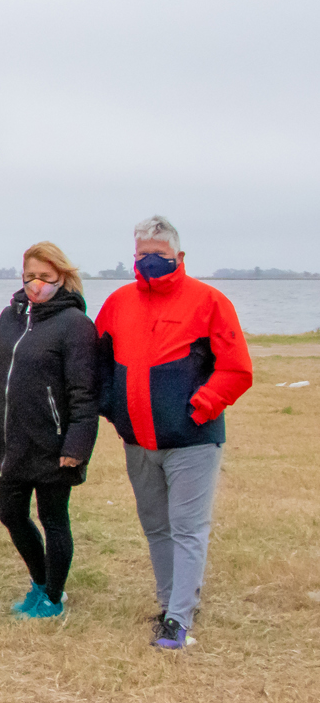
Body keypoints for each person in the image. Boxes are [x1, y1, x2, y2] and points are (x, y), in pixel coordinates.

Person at [97, 215, 252, 650]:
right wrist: (113, 409)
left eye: (160, 256)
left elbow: (237, 369)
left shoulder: (209, 302)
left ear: (179, 256)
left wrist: (199, 408)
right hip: (138, 441)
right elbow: (100, 365)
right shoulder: (118, 303)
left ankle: (180, 619)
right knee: (155, 527)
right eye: (142, 255)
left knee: (187, 528)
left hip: (193, 442)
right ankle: (168, 603)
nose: (150, 262)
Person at [0, 242, 99, 619]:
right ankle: (40, 582)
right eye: (30, 276)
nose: (37, 284)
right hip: (12, 442)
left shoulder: (76, 326)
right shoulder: (9, 317)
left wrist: (76, 444)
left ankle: (54, 598)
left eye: (45, 277)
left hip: (54, 444)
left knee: (54, 519)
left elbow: (84, 393)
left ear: (62, 276)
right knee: (11, 514)